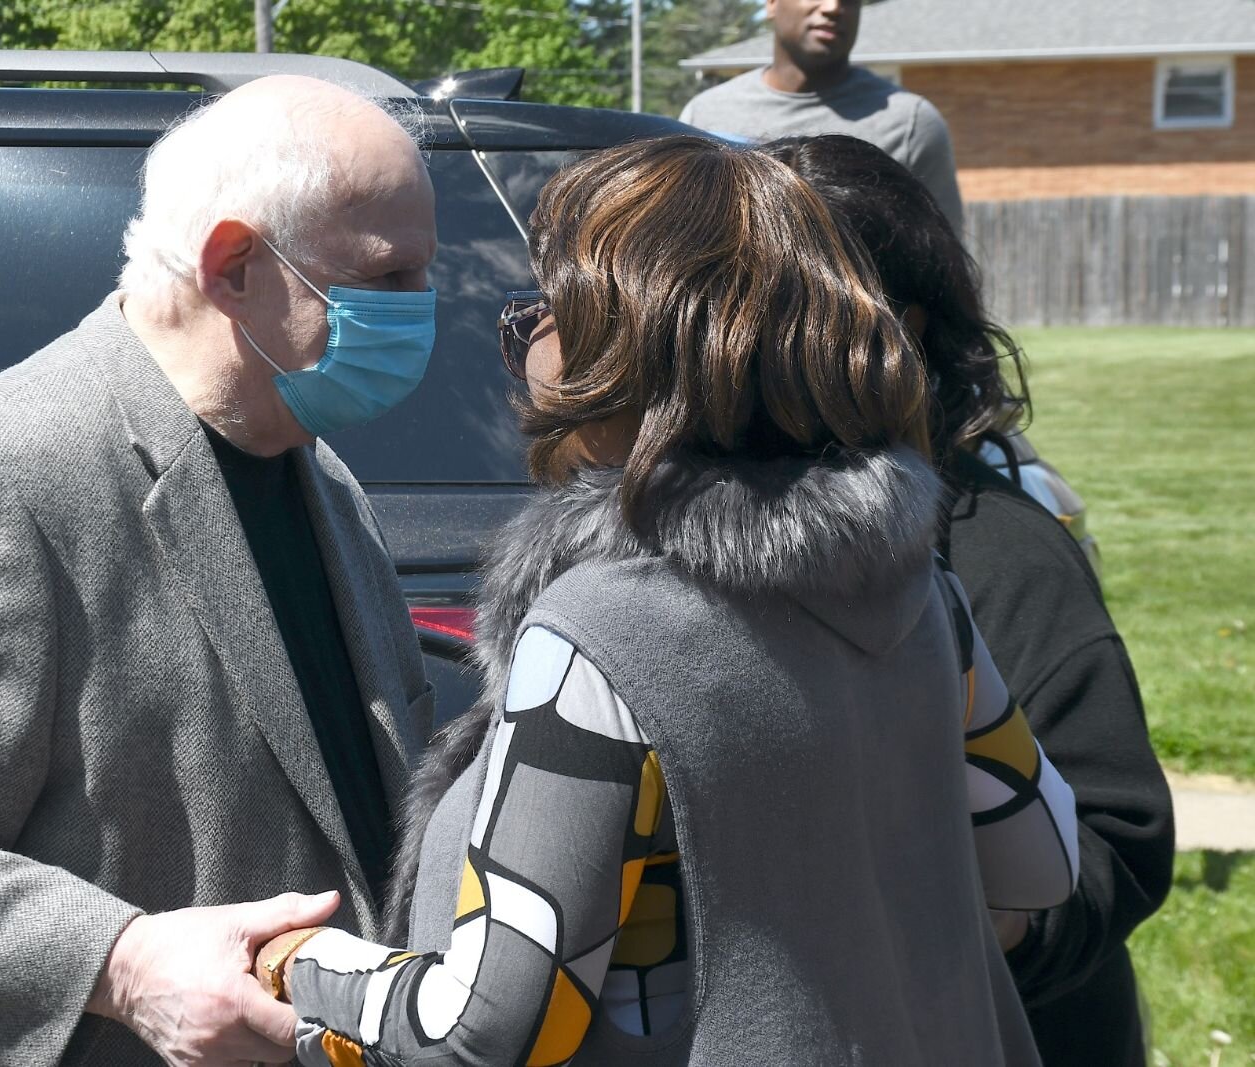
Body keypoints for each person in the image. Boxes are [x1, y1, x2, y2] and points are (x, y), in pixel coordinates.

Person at [250, 135, 1079, 1066]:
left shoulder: (601, 636)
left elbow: (491, 1024)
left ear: (637, 341)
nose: (525, 330)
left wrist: (298, 962)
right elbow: (1041, 860)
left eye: (549, 307)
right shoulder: (921, 589)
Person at [0, 75, 438, 1067]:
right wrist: (125, 963)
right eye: (389, 275)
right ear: (234, 264)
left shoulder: (315, 470)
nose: (424, 310)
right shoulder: (5, 476)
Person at [765, 132, 1176, 1067]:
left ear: (897, 330)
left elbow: (1118, 829)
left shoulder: (1003, 553)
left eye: (777, 302)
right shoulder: (716, 537)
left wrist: (1000, 925)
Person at [678, 0, 965, 235]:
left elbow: (944, 271)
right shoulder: (704, 115)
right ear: (771, 4)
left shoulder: (910, 124)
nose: (833, 7)